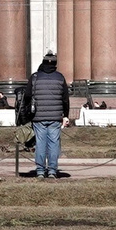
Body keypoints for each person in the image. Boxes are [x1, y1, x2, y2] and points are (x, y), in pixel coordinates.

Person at [27, 51, 70, 179]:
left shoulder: (35, 77)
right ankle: (52, 170)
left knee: (40, 143)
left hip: (38, 116)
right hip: (55, 117)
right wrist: (65, 115)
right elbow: (65, 99)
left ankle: (40, 171)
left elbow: (28, 96)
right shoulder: (60, 77)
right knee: (54, 144)